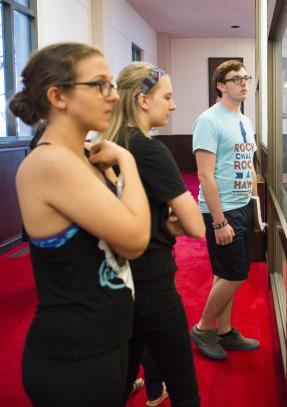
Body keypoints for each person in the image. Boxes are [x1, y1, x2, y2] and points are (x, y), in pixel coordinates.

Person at [10, 42, 150, 406]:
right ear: (58, 96)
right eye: (100, 84)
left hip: (106, 340)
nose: (114, 97)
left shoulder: (85, 157)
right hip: (75, 356)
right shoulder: (50, 163)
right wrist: (128, 163)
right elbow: (134, 239)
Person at [101, 62, 204, 406]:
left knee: (122, 377)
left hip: (114, 282)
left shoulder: (107, 145)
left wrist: (159, 219)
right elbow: (195, 226)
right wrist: (169, 221)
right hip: (152, 283)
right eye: (168, 97)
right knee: (184, 386)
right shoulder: (149, 150)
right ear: (143, 100)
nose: (173, 105)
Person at [190, 60, 260, 360]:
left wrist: (256, 207)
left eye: (246, 78)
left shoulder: (245, 120)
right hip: (222, 210)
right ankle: (204, 328)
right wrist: (219, 222)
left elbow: (250, 165)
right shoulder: (209, 121)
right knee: (235, 274)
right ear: (220, 85)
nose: (243, 83)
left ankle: (225, 332)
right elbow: (205, 175)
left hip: (243, 205)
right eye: (236, 79)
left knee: (226, 272)